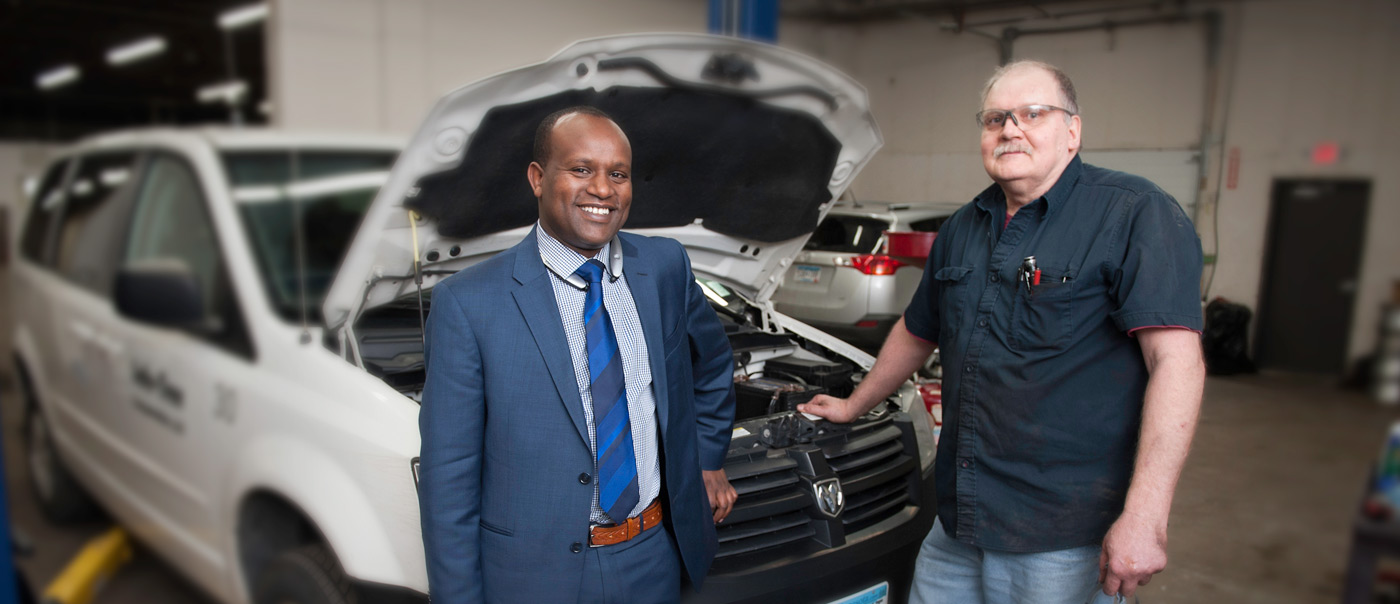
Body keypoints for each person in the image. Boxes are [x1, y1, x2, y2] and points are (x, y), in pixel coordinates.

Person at [798, 60, 1206, 603]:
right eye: (995, 119)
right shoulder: (963, 226)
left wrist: (1146, 516)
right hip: (959, 518)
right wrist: (855, 404)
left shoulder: (1134, 213)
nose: (1010, 129)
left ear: (1072, 131)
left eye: (1032, 114)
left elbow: (1176, 363)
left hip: (1061, 532)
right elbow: (918, 331)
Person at [418, 106, 738, 603]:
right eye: (581, 169)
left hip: (654, 555)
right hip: (535, 577)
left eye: (618, 174)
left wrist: (708, 458)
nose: (603, 189)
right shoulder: (468, 302)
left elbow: (713, 364)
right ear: (538, 178)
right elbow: (449, 482)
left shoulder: (664, 267)